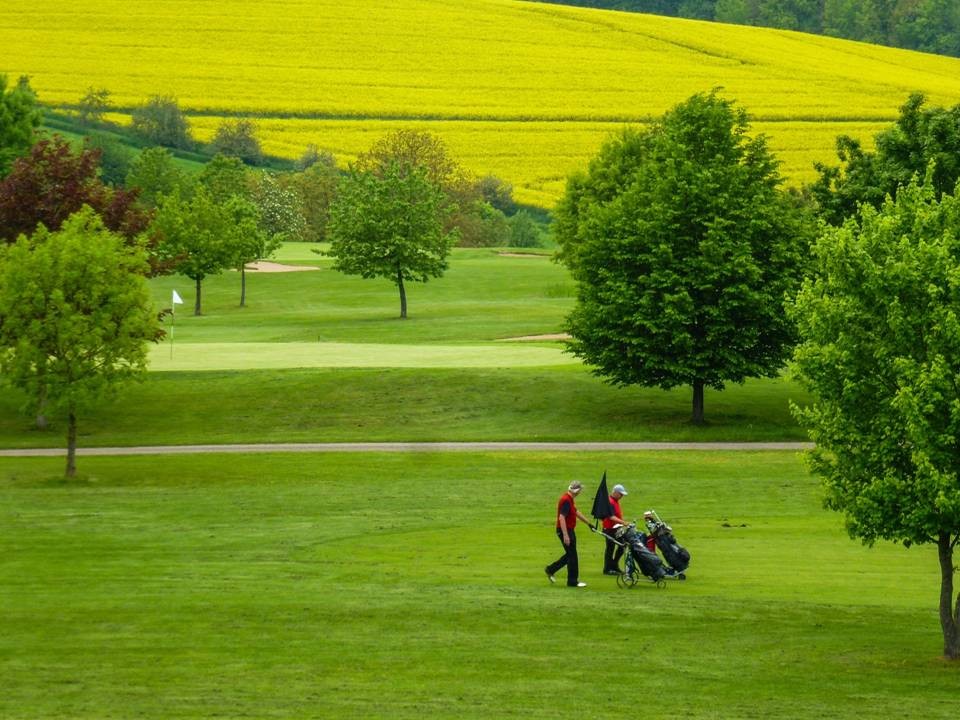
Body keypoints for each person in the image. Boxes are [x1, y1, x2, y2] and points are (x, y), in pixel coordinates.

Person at [545, 481, 592, 588]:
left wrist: (589, 523)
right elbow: (561, 518)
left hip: (568, 530)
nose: (580, 492)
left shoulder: (569, 499)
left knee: (570, 555)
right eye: (580, 490)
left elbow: (576, 512)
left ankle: (551, 569)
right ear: (577, 491)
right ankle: (572, 581)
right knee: (572, 557)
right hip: (565, 530)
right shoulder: (566, 500)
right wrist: (566, 535)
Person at [601, 483, 628, 575]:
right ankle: (607, 568)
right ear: (615, 492)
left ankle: (613, 565)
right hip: (609, 529)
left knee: (622, 545)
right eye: (620, 494)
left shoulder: (615, 501)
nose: (622, 496)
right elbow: (611, 517)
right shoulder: (611, 502)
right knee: (610, 548)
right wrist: (623, 522)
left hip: (615, 529)